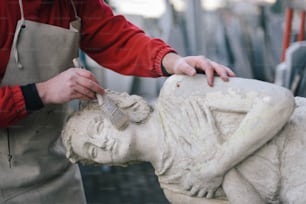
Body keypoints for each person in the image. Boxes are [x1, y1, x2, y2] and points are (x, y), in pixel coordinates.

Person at [0, 0, 235, 203]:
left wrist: (173, 62)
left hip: (55, 169)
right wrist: (41, 92)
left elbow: (117, 37)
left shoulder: (73, 3)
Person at [61, 74, 299, 204]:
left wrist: (215, 166)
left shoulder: (178, 93)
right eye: (92, 151)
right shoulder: (175, 190)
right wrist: (215, 161)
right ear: (104, 164)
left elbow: (278, 101)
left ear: (114, 108)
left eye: (98, 126)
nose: (102, 143)